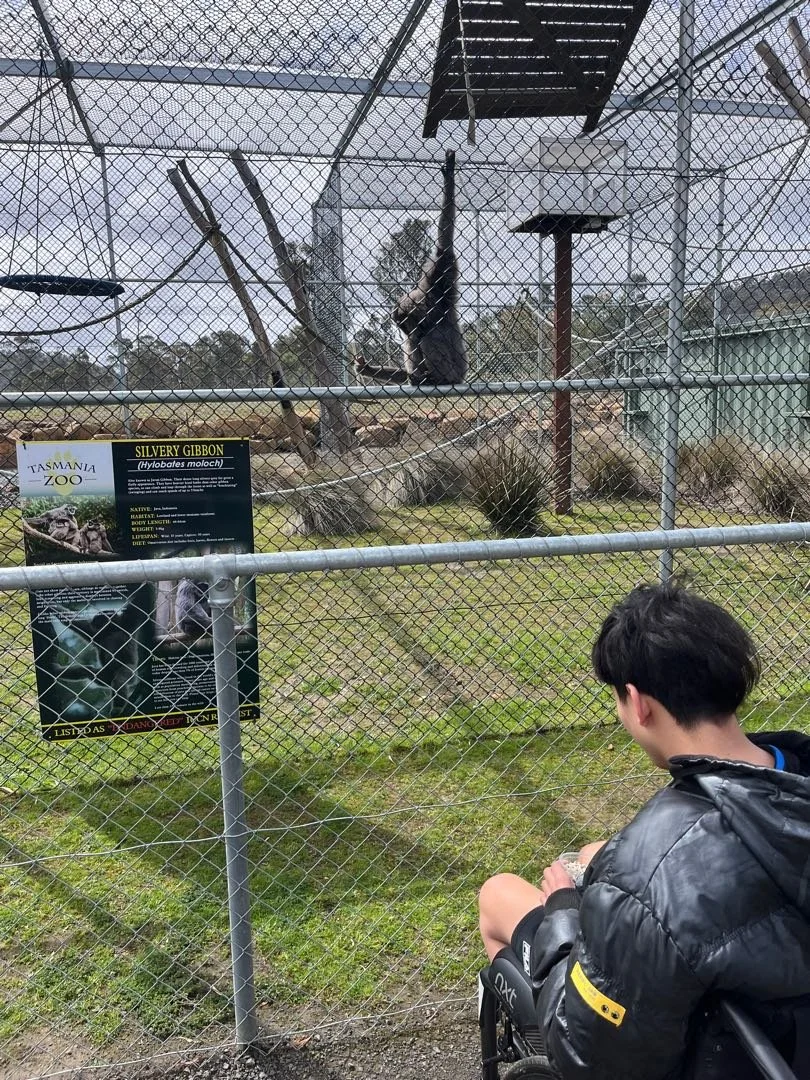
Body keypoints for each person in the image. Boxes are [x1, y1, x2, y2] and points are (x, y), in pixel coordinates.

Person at [478, 582, 810, 1080]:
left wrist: (564, 916)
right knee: (594, 853)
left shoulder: (644, 873)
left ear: (637, 703)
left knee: (498, 894)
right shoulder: (793, 772)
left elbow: (590, 1055)